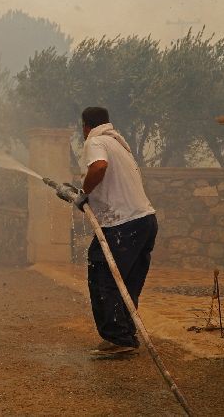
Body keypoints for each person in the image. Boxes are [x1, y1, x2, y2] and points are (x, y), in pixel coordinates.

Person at [74, 107, 157, 357]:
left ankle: (118, 337)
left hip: (122, 225)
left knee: (103, 277)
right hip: (145, 221)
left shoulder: (96, 141)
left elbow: (98, 168)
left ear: (86, 126)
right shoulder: (119, 144)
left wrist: (83, 193)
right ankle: (125, 334)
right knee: (127, 282)